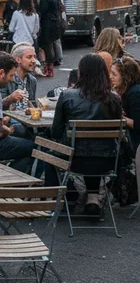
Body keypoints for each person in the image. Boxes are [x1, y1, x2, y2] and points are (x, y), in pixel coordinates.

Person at [49, 54, 122, 215]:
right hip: (108, 160)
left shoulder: (68, 95)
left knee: (48, 153)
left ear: (81, 72)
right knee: (94, 150)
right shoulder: (114, 98)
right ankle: (93, 198)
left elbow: (55, 131)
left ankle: (64, 200)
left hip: (74, 160)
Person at [0, 43, 37, 133]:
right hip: (8, 120)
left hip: (25, 118)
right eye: (29, 57)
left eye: (34, 57)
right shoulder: (6, 78)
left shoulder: (32, 80)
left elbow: (31, 104)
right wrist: (11, 99)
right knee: (21, 129)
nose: (34, 61)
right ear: (18, 60)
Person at [110, 54, 140, 154]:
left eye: (114, 74)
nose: (110, 77)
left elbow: (137, 124)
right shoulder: (126, 90)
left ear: (125, 76)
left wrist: (120, 116)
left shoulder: (135, 93)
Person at [37, 0, 61, 78]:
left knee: (47, 46)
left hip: (47, 23)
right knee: (50, 45)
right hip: (55, 24)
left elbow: (41, 10)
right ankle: (50, 68)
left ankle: (48, 68)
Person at [50, 0, 66, 66]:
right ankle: (58, 57)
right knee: (57, 38)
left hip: (57, 18)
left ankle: (58, 57)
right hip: (61, 17)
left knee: (56, 39)